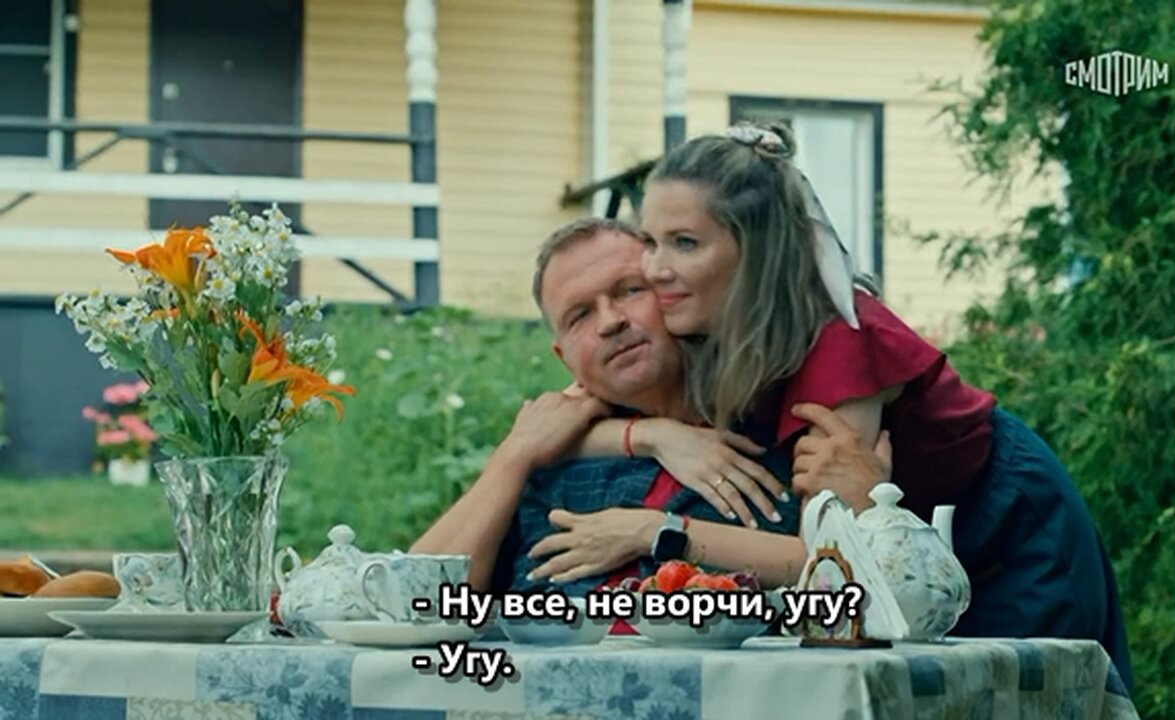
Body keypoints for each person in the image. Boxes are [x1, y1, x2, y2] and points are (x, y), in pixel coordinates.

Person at [605, 121, 1133, 689]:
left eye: (685, 243)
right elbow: (572, 413)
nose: (655, 269)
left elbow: (826, 551)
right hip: (909, 561)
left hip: (1000, 535)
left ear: (757, 251)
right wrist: (653, 436)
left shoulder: (840, 341)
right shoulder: (702, 320)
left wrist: (658, 531)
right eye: (650, 242)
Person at [409, 219, 813, 596]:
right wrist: (514, 455)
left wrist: (654, 532)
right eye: (580, 315)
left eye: (629, 290)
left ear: (675, 294)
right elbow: (418, 596)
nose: (610, 321)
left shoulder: (782, 422)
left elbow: (837, 574)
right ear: (565, 359)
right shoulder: (550, 467)